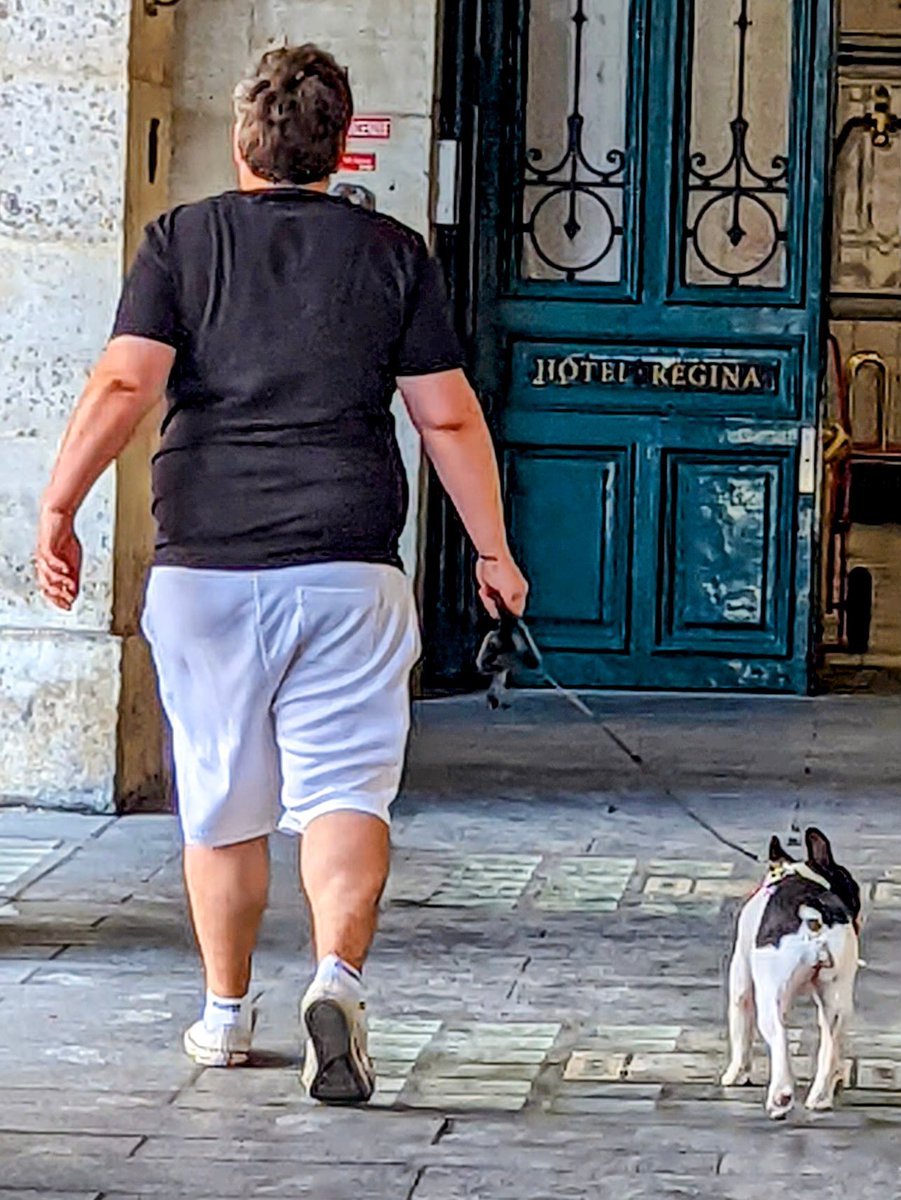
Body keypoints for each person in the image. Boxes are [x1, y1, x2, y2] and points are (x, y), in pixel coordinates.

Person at [34, 43, 527, 1104]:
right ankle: (337, 982)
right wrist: (490, 550)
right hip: (347, 567)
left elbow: (126, 383)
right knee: (346, 789)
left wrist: (61, 504)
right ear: (341, 143)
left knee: (222, 797)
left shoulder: (182, 241)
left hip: (206, 567)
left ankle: (222, 1014)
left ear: (241, 140)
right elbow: (442, 413)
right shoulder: (393, 254)